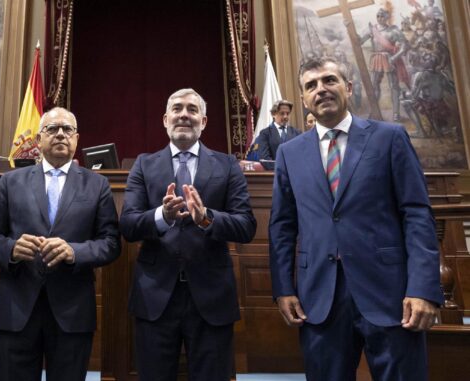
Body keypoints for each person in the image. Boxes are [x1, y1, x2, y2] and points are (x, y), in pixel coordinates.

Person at [269, 57, 442, 381]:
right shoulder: (289, 153)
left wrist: (423, 287)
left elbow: (417, 213)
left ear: (348, 87)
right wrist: (283, 288)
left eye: (329, 80)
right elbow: (282, 225)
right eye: (311, 85)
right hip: (319, 299)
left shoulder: (390, 138)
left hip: (391, 295)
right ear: (304, 99)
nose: (321, 89)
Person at [120, 88, 257, 381]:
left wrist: (207, 218)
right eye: (177, 109)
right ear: (165, 119)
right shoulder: (143, 164)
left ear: (204, 121)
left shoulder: (228, 164)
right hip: (155, 298)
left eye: (192, 110)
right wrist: (162, 216)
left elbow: (246, 226)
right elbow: (128, 225)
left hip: (212, 297)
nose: (184, 114)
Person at [0, 107, 120, 381]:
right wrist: (11, 249)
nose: (60, 134)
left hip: (72, 311)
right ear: (39, 139)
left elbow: (111, 242)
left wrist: (74, 252)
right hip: (16, 309)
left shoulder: (97, 185)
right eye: (52, 129)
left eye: (67, 129)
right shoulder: (9, 181)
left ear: (77, 139)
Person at [360, 8, 410, 121]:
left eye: (382, 16)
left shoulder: (393, 30)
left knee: (394, 86)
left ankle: (396, 113)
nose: (380, 18)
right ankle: (374, 112)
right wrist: (348, 26)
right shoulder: (372, 30)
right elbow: (359, 41)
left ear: (387, 17)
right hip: (377, 58)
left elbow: (404, 46)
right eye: (378, 16)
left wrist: (394, 57)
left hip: (389, 59)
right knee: (374, 86)